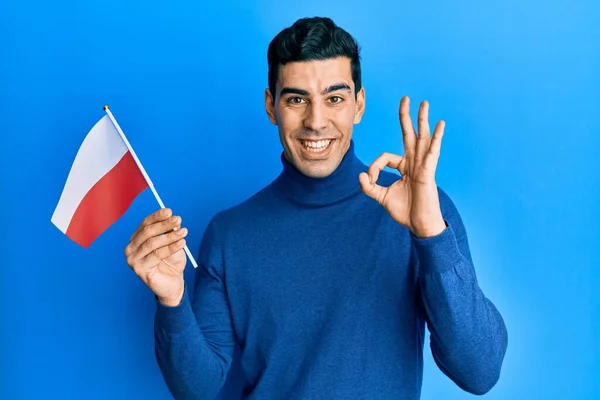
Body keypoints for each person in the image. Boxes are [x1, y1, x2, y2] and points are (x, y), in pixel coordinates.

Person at [124, 16, 508, 400]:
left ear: (359, 105)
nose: (316, 121)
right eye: (296, 99)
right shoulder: (229, 235)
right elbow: (199, 389)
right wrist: (171, 302)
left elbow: (480, 371)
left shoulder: (423, 210)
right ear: (271, 107)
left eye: (334, 98)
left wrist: (430, 235)